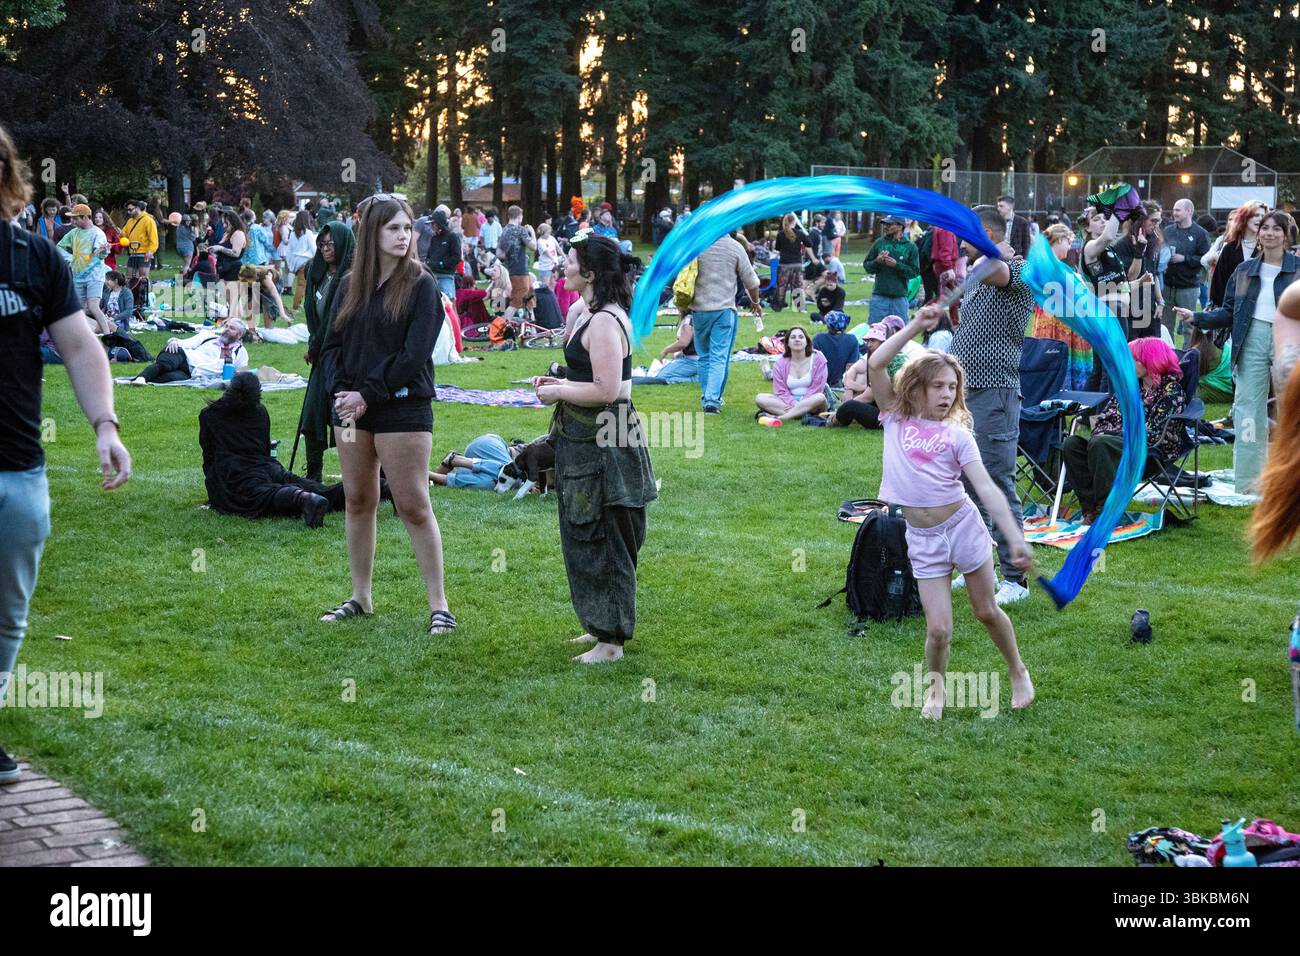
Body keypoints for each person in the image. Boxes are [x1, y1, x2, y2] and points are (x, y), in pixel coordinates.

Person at [0, 124, 132, 784]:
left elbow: (81, 347)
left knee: (8, 611)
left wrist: (105, 424)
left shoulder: (34, 258)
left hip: (17, 463)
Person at [868, 311, 1033, 720]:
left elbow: (987, 489)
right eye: (937, 386)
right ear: (916, 387)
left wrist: (1014, 536)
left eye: (953, 387)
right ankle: (935, 693)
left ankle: (1018, 671)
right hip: (922, 538)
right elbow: (875, 363)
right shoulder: (895, 417)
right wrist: (915, 327)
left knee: (985, 610)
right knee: (938, 629)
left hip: (963, 528)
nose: (946, 394)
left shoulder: (958, 435)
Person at [317, 195, 454, 636]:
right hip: (352, 410)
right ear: (372, 233)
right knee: (358, 499)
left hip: (402, 407)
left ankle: (439, 606)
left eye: (407, 228)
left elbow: (414, 355)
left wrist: (367, 394)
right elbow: (331, 346)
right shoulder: (349, 286)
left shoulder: (422, 285)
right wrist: (342, 392)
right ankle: (360, 596)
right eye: (393, 228)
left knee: (412, 504)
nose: (403, 235)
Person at [533, 233, 656, 664]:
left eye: (568, 260)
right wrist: (559, 382)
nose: (561, 266)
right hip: (583, 437)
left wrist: (560, 390)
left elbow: (608, 390)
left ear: (588, 271)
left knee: (606, 533)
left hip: (607, 438)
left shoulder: (605, 320)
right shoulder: (583, 311)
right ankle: (599, 624)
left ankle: (611, 642)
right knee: (583, 532)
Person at [940, 205, 1035, 605]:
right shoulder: (979, 269)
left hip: (995, 391)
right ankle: (979, 566)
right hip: (964, 393)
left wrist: (997, 251)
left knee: (996, 482)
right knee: (964, 484)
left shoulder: (1018, 267)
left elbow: (1001, 272)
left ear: (986, 231)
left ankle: (1016, 579)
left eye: (968, 231)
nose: (960, 237)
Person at [1179, 210, 1299, 495]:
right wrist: (1197, 318)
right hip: (1251, 338)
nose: (1269, 233)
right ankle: (1248, 482)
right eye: (1265, 228)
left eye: (1276, 229)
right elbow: (1230, 311)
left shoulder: (1297, 269)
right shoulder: (1245, 271)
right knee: (1248, 409)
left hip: (1289, 338)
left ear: (1286, 234)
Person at [1062, 338, 1188, 525]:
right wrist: (1116, 433)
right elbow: (1104, 420)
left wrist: (1115, 433)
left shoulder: (1170, 391)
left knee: (1101, 442)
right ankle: (1092, 510)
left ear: (1150, 360)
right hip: (1114, 446)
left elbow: (1153, 433)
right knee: (1072, 444)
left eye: (1133, 359)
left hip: (1149, 453)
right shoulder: (1130, 389)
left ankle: (1107, 512)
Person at [200, 371, 351, 527]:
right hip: (266, 465)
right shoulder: (260, 412)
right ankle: (357, 490)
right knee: (300, 482)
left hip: (235, 473)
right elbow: (265, 447)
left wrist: (215, 487)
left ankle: (303, 498)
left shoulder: (210, 415)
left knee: (263, 495)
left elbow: (209, 455)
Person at [298, 220, 355, 482]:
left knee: (347, 418)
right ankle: (313, 473)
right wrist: (314, 343)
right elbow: (316, 315)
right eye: (321, 243)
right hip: (321, 355)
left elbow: (338, 320)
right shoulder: (317, 273)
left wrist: (316, 345)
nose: (325, 248)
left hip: (346, 357)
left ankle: (362, 474)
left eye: (331, 243)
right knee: (312, 413)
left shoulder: (353, 276)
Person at [688, 231, 763, 413]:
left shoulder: (697, 245)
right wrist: (755, 302)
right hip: (724, 310)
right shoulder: (734, 247)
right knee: (719, 356)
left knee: (704, 356)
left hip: (699, 310)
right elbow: (752, 282)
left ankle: (708, 396)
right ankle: (712, 400)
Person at [1030, 223, 1094, 389]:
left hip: (1061, 320)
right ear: (1060, 239)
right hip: (1056, 322)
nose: (1070, 247)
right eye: (1069, 242)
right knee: (1057, 362)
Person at [129, 320, 249, 384]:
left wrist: (237, 373)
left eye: (231, 328)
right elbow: (185, 343)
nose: (227, 329)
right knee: (166, 364)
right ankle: (141, 379)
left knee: (170, 378)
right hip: (183, 356)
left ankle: (135, 380)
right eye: (226, 326)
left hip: (192, 373)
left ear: (239, 335)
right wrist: (174, 341)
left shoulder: (239, 352)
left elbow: (242, 371)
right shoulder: (208, 336)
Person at [56, 203, 113, 335]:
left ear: (85, 217)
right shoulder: (73, 233)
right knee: (78, 310)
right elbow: (59, 247)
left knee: (93, 307)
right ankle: (81, 336)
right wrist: (71, 259)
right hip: (78, 276)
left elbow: (99, 254)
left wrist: (103, 251)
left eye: (76, 218)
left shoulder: (98, 234)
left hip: (94, 276)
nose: (73, 221)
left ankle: (109, 336)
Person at [755, 326, 828, 426]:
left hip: (812, 402)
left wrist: (802, 403)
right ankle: (801, 414)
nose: (797, 339)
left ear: (807, 341)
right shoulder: (780, 364)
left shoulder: (818, 358)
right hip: (787, 403)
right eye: (793, 337)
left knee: (820, 397)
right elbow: (780, 391)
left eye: (801, 337)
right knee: (760, 398)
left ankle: (779, 417)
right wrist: (794, 404)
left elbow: (817, 388)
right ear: (787, 343)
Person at [1160, 198, 1211, 341]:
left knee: (1190, 326)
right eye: (1174, 210)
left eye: (1177, 210)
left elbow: (1205, 259)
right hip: (1167, 286)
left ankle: (1189, 357)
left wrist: (1185, 258)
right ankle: (1168, 358)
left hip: (1188, 287)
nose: (1174, 213)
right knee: (1165, 326)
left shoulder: (1200, 233)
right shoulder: (1168, 231)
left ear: (1188, 211)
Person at [1204, 201, 1267, 309]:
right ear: (1245, 217)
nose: (1260, 219)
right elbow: (1219, 283)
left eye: (1263, 216)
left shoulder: (1266, 249)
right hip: (1229, 310)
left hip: (1258, 310)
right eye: (1256, 215)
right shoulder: (1230, 248)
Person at [863, 215, 919, 323]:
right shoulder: (879, 243)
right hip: (879, 297)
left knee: (900, 333)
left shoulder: (911, 247)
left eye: (889, 224)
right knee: (875, 332)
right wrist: (877, 261)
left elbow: (914, 272)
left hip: (900, 298)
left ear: (900, 226)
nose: (885, 227)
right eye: (885, 224)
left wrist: (897, 265)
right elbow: (867, 266)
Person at [428, 434, 515, 490]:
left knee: (489, 484)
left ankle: (431, 476)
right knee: (511, 472)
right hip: (489, 445)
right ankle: (455, 460)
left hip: (480, 459)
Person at [497, 205, 536, 325]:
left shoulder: (503, 231)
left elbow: (499, 253)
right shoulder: (520, 230)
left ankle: (531, 327)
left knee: (529, 296)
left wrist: (511, 253)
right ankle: (501, 329)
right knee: (516, 301)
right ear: (520, 216)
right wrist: (532, 233)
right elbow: (533, 247)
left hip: (510, 269)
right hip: (520, 270)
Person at [632, 314, 699, 385]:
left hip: (693, 360)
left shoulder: (688, 320)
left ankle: (695, 379)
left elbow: (683, 342)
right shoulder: (694, 317)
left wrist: (666, 351)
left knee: (662, 378)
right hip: (696, 359)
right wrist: (679, 352)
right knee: (661, 373)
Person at [774, 213, 817, 311]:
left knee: (781, 286)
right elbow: (809, 244)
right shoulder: (800, 233)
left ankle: (778, 306)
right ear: (794, 222)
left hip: (784, 264)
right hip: (796, 264)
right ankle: (799, 307)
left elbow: (777, 248)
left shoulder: (780, 234)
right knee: (797, 286)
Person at [209, 211, 248, 321]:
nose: (224, 226)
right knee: (228, 299)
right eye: (223, 223)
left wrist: (220, 248)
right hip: (223, 269)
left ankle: (234, 322)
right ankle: (235, 322)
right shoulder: (227, 234)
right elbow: (222, 249)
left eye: (226, 223)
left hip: (233, 269)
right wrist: (213, 249)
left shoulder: (238, 234)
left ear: (233, 222)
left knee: (233, 300)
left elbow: (235, 253)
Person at [812, 310, 860, 387]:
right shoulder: (852, 339)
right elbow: (851, 366)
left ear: (828, 325)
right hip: (841, 383)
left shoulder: (819, 338)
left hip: (820, 381)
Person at [424, 208, 462, 300]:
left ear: (439, 223)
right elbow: (429, 255)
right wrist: (428, 262)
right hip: (433, 276)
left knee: (447, 305)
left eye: (433, 223)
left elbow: (456, 257)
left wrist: (442, 264)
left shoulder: (452, 237)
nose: (432, 226)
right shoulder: (434, 238)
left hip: (446, 277)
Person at [284, 210, 317, 312]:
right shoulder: (308, 233)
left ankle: (299, 304)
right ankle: (295, 307)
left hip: (296, 263)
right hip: (306, 262)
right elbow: (314, 249)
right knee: (302, 285)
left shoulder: (293, 233)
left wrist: (289, 263)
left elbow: (289, 250)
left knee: (302, 285)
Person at [120, 199, 158, 285]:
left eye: (130, 209)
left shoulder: (148, 220)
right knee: (129, 279)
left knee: (143, 279)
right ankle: (133, 297)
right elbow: (124, 234)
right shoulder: (130, 221)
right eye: (127, 210)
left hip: (143, 254)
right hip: (132, 254)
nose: (128, 212)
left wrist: (150, 251)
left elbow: (154, 238)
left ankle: (146, 297)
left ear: (137, 208)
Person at [534, 222, 560, 289]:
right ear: (543, 232)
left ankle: (552, 299)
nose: (549, 234)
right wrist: (553, 259)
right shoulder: (540, 241)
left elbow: (558, 248)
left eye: (549, 232)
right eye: (548, 233)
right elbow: (547, 252)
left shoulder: (551, 238)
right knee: (545, 286)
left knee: (553, 284)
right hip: (545, 267)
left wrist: (565, 257)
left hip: (553, 266)